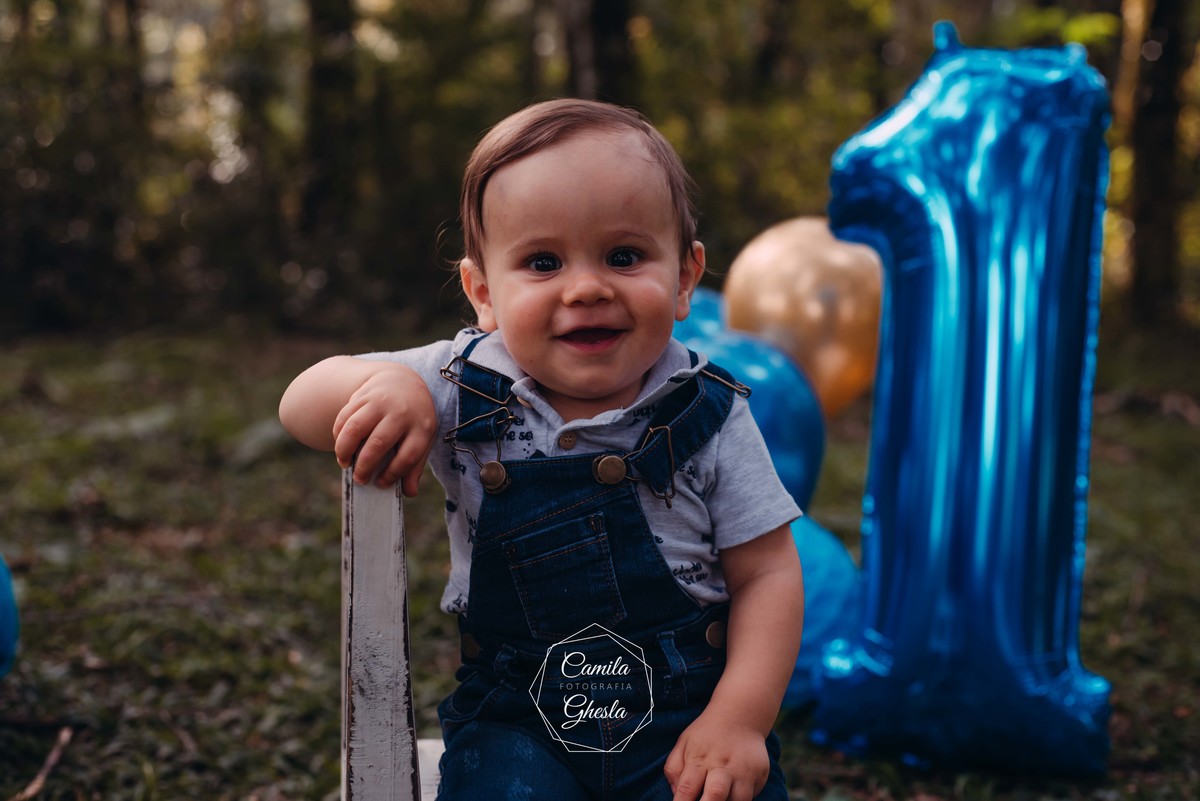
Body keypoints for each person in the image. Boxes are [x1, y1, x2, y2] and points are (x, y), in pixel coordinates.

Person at [279, 98, 804, 801]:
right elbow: (299, 402)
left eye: (624, 256)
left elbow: (768, 574)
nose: (586, 288)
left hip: (686, 721)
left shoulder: (707, 411)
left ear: (684, 278)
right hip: (516, 721)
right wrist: (387, 383)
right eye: (543, 261)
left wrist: (738, 720)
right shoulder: (461, 381)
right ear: (483, 292)